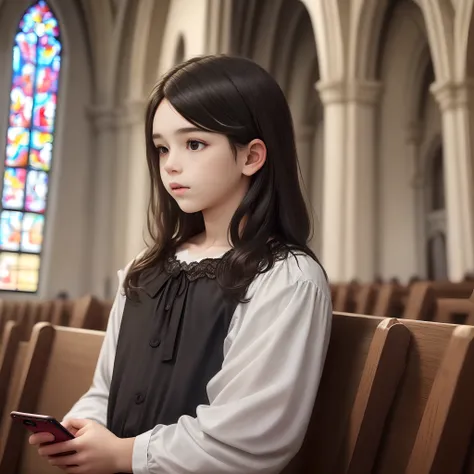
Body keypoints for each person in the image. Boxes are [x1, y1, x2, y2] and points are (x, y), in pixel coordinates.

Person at [29, 55, 332, 474]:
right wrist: (82, 431)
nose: (170, 163)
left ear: (252, 156)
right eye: (161, 147)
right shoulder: (145, 268)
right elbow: (106, 388)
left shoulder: (286, 278)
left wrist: (125, 454)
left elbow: (249, 436)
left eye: (194, 144)